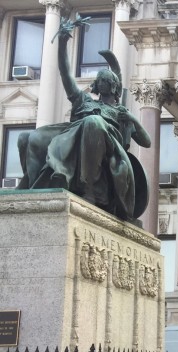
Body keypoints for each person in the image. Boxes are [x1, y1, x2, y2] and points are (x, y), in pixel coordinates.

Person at [17, 16, 150, 224]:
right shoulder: (83, 101)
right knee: (26, 137)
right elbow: (65, 74)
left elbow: (146, 141)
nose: (103, 81)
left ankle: (89, 188)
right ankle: (34, 186)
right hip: (71, 137)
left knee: (93, 123)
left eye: (107, 79)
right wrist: (62, 42)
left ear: (114, 86)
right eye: (100, 79)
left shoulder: (121, 112)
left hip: (108, 147)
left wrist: (132, 118)